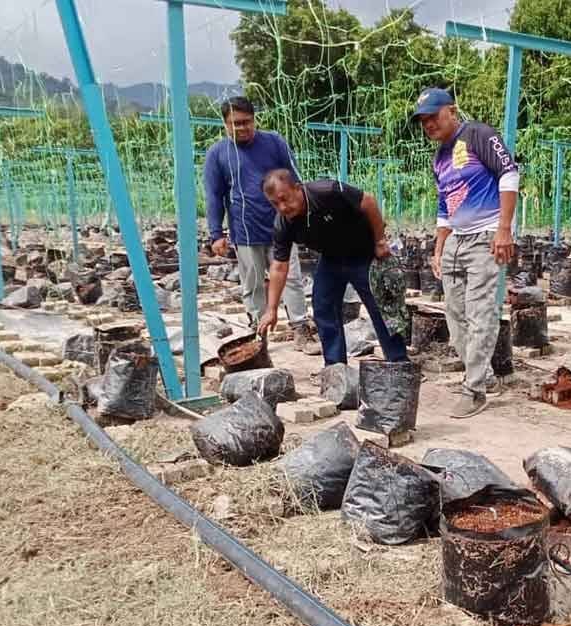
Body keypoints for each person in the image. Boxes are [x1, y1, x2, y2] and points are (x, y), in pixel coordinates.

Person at [413, 87, 518, 419]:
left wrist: (504, 229)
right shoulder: (439, 158)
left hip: (486, 238)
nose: (429, 124)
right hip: (456, 241)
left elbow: (509, 174)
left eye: (433, 116)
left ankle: (474, 389)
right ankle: (483, 374)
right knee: (454, 314)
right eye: (423, 121)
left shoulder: (478, 135)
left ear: (451, 111)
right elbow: (445, 205)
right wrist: (439, 246)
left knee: (481, 313)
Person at [203, 96, 320, 355]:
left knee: (291, 278)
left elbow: (294, 178)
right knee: (252, 284)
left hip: (283, 226)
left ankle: (300, 328)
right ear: (225, 125)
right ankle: (259, 334)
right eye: (235, 124)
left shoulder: (274, 142)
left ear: (255, 120)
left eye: (246, 122)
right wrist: (216, 233)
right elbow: (213, 196)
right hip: (245, 230)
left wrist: (303, 216)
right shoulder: (218, 154)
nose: (242, 128)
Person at [257, 169, 410, 366]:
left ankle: (398, 362)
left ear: (297, 188)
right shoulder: (283, 224)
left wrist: (380, 241)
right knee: (323, 307)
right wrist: (271, 309)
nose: (283, 207)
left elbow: (368, 201)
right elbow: (278, 267)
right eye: (275, 204)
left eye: (284, 199)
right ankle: (335, 368)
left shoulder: (327, 191)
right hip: (331, 258)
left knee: (379, 305)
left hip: (363, 253)